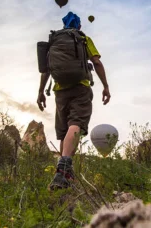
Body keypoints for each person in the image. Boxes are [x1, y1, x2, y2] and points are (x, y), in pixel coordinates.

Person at [37, 12, 111, 190]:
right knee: (76, 124)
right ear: (79, 26)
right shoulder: (83, 38)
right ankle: (64, 171)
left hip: (59, 89)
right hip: (80, 86)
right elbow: (97, 62)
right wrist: (106, 86)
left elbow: (45, 69)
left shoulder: (54, 39)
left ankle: (63, 174)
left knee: (64, 133)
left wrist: (40, 91)